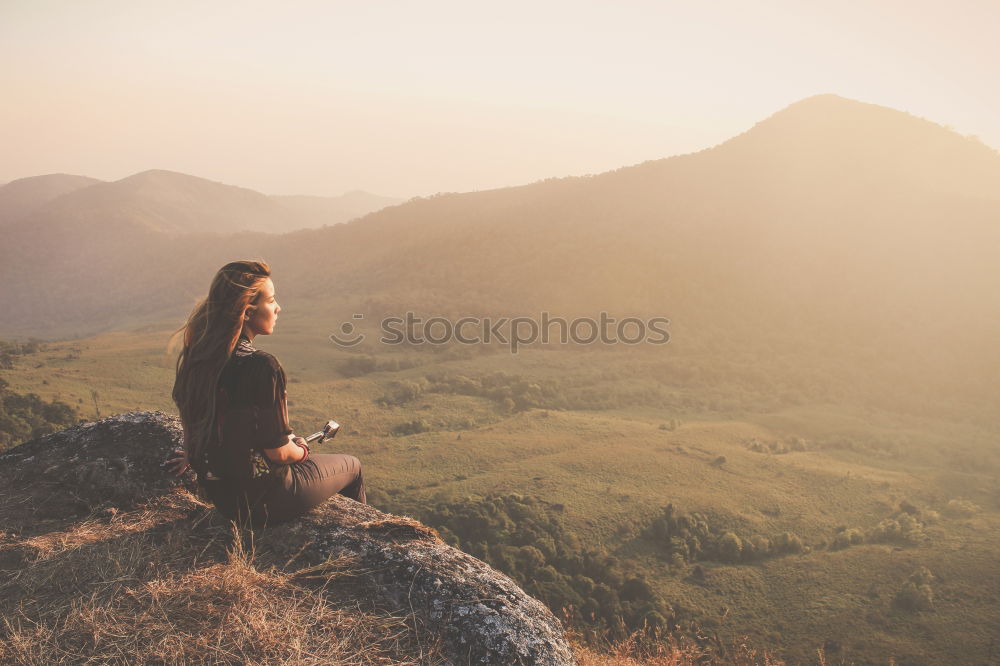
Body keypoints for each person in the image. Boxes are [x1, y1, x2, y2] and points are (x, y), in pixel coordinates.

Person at [167, 260, 365, 527]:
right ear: (247, 312)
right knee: (352, 466)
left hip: (224, 500)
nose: (278, 308)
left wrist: (192, 452)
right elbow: (278, 454)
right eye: (271, 301)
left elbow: (193, 412)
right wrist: (302, 449)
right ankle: (362, 540)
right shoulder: (262, 365)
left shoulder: (199, 356)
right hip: (266, 500)